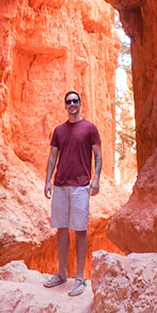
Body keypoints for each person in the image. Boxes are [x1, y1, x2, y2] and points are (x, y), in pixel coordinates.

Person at [43, 90, 102, 297]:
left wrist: (96, 179)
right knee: (61, 229)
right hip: (60, 185)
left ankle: (79, 277)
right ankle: (61, 273)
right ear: (65, 105)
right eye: (69, 101)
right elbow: (52, 158)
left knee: (80, 230)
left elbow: (98, 155)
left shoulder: (90, 128)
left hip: (80, 186)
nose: (72, 104)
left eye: (75, 101)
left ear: (80, 103)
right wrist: (48, 181)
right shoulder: (59, 130)